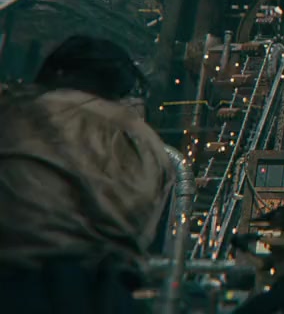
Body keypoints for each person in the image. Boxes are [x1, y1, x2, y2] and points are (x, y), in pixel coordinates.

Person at [0, 35, 174, 313]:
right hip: (108, 292)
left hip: (16, 281)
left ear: (59, 71)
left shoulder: (20, 110)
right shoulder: (145, 139)